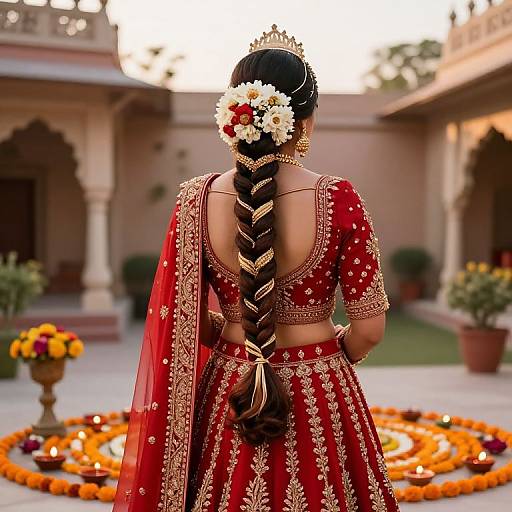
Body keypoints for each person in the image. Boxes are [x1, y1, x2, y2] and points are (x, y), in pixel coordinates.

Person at [114, 24, 400, 512]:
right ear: (304, 122)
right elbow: (370, 328)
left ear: (232, 117)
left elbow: (182, 320)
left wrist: (230, 325)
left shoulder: (196, 199)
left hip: (232, 385)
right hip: (319, 391)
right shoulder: (338, 198)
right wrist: (328, 360)